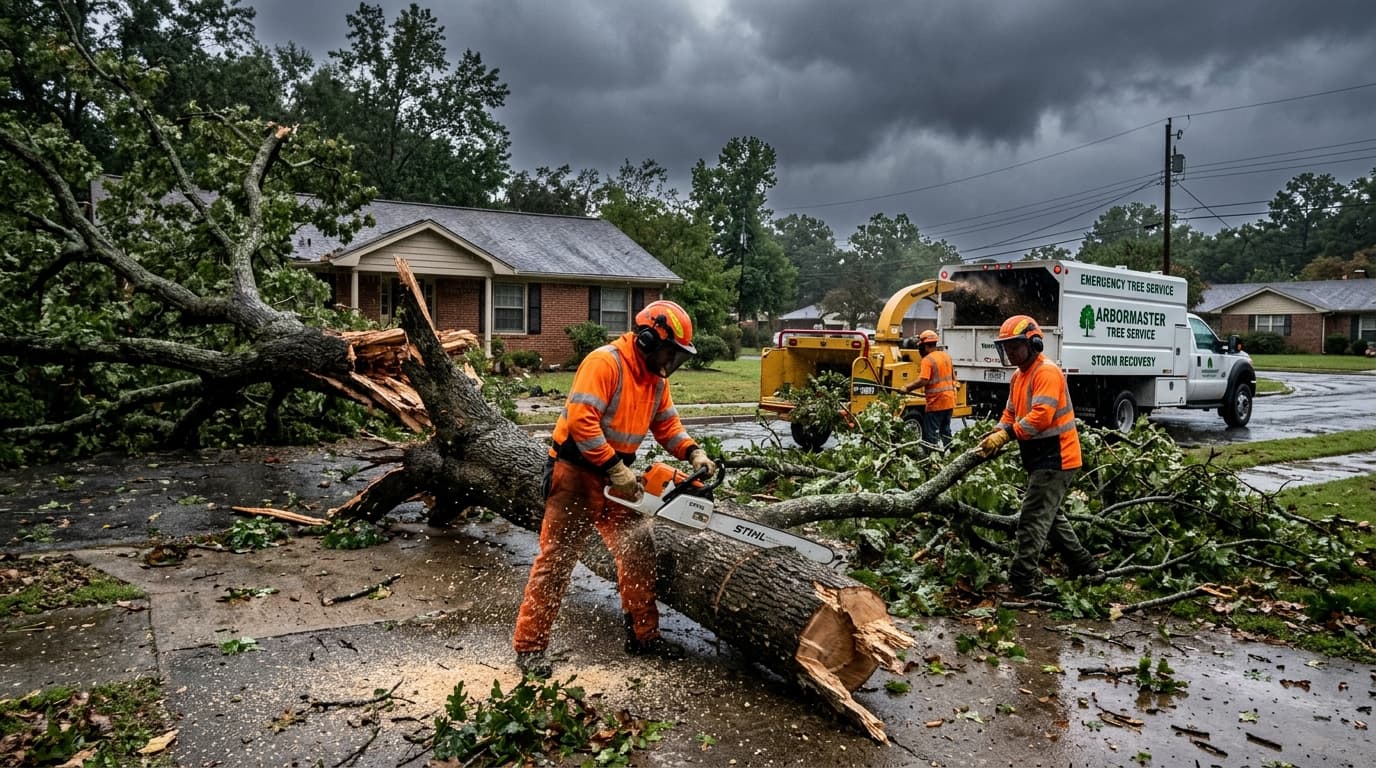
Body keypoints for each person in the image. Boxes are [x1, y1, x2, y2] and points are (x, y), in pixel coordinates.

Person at [512, 299, 717, 679]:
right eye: (669, 351)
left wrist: (693, 452)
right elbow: (582, 422)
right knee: (556, 561)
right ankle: (530, 647)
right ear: (645, 338)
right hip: (575, 472)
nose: (670, 361)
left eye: (677, 355)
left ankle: (643, 636)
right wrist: (613, 467)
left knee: (638, 548)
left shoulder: (655, 379)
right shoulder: (606, 362)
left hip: (615, 471)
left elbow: (667, 424)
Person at [976, 315, 1101, 596]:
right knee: (1052, 518)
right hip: (1041, 457)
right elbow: (1011, 413)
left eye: (1015, 347)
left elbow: (1041, 417)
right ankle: (1086, 567)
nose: (1010, 353)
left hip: (1056, 456)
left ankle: (1022, 583)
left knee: (1032, 521)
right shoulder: (1019, 376)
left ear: (1033, 343)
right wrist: (995, 433)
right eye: (1006, 348)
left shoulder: (1046, 372)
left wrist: (1007, 435)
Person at [903, 329, 957, 446]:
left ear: (925, 346)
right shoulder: (946, 356)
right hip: (949, 401)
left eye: (920, 346)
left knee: (930, 433)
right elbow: (953, 377)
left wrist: (907, 388)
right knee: (945, 431)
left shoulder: (927, 360)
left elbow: (924, 380)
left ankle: (932, 458)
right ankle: (952, 453)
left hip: (936, 402)